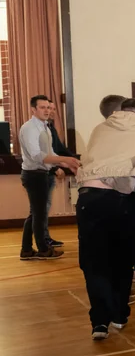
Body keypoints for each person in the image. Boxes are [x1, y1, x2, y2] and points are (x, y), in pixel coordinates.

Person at [75, 98, 135, 340]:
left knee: (94, 262)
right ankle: (119, 314)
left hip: (89, 197)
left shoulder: (100, 129)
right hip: (124, 201)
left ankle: (99, 322)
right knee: (123, 259)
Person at [19, 94, 81, 260]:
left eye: (48, 107)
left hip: (41, 173)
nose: (47, 110)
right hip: (34, 175)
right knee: (39, 214)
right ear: (33, 109)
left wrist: (67, 164)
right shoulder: (29, 128)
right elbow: (36, 155)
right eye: (42, 107)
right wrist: (64, 159)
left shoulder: (45, 127)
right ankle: (43, 250)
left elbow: (50, 153)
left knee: (35, 214)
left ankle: (26, 250)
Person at [43, 99, 76, 248]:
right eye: (47, 108)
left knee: (43, 208)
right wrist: (55, 167)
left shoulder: (51, 128)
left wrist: (75, 161)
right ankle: (41, 242)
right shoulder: (40, 129)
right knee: (39, 210)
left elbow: (60, 149)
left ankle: (43, 238)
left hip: (48, 173)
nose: (50, 111)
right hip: (40, 173)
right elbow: (41, 154)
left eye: (53, 109)